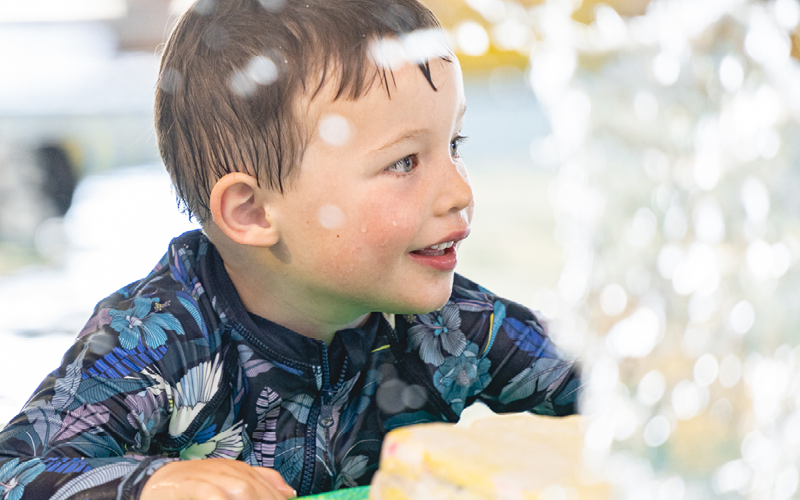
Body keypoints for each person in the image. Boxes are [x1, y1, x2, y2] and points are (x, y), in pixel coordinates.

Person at [0, 0, 582, 498]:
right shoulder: (155, 339)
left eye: (454, 144)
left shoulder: (451, 327)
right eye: (404, 161)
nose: (461, 192)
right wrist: (151, 482)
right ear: (253, 212)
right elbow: (16, 471)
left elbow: (618, 399)